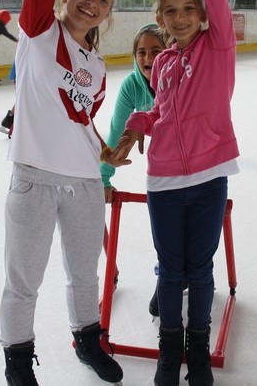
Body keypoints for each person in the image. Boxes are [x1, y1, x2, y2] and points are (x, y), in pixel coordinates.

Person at [0, 0, 149, 386]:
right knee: (24, 283)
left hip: (85, 182)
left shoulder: (99, 65)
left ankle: (88, 341)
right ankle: (19, 363)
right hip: (35, 179)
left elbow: (81, 120)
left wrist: (107, 152)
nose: (93, 1)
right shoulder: (39, 29)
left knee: (86, 274)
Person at [111, 0, 240, 386]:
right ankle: (170, 355)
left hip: (208, 176)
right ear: (159, 19)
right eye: (171, 11)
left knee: (200, 271)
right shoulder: (162, 63)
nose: (181, 17)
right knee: (169, 270)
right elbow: (161, 113)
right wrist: (134, 125)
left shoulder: (218, 47)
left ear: (204, 13)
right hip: (164, 179)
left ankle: (198, 355)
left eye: (189, 9)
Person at [99, 23, 168, 317]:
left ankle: (182, 271)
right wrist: (103, 177)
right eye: (141, 52)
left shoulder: (180, 78)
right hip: (163, 156)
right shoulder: (132, 85)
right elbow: (116, 131)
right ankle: (171, 272)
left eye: (156, 51)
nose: (148, 58)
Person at [0, 61, 16, 137]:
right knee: (25, 99)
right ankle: (10, 122)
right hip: (23, 72)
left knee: (25, 99)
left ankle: (9, 120)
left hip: (23, 71)